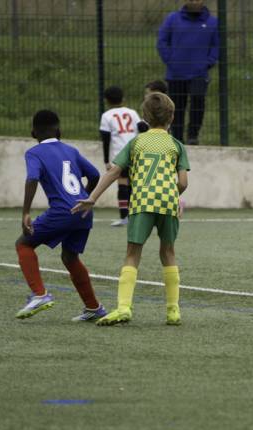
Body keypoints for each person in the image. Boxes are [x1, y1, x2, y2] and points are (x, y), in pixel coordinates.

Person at [72, 92, 189, 326]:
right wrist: (174, 196)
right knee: (168, 252)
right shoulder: (176, 145)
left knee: (133, 253)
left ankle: (124, 308)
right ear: (172, 117)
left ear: (144, 117)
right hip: (167, 201)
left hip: (142, 200)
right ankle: (173, 311)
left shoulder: (136, 142)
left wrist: (92, 197)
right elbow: (183, 182)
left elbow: (114, 171)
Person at [15, 110, 106, 321]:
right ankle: (94, 308)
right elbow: (94, 175)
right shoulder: (71, 150)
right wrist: (85, 197)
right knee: (70, 256)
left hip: (61, 212)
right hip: (84, 212)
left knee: (24, 244)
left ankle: (40, 294)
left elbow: (32, 178)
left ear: (33, 133)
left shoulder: (34, 153)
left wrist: (26, 212)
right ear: (60, 131)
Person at [157, 0, 219, 145]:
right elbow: (162, 41)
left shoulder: (212, 22)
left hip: (199, 73)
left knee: (198, 103)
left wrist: (208, 62)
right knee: (176, 106)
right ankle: (177, 138)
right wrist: (171, 61)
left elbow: (216, 45)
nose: (194, 2)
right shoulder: (172, 19)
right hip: (176, 73)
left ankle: (193, 136)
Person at [100, 86, 145, 227]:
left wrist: (107, 160)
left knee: (123, 184)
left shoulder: (106, 116)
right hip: (136, 151)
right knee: (134, 184)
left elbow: (106, 139)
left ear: (106, 100)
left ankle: (124, 216)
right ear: (123, 98)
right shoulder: (132, 112)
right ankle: (136, 214)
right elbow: (143, 128)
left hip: (120, 154)